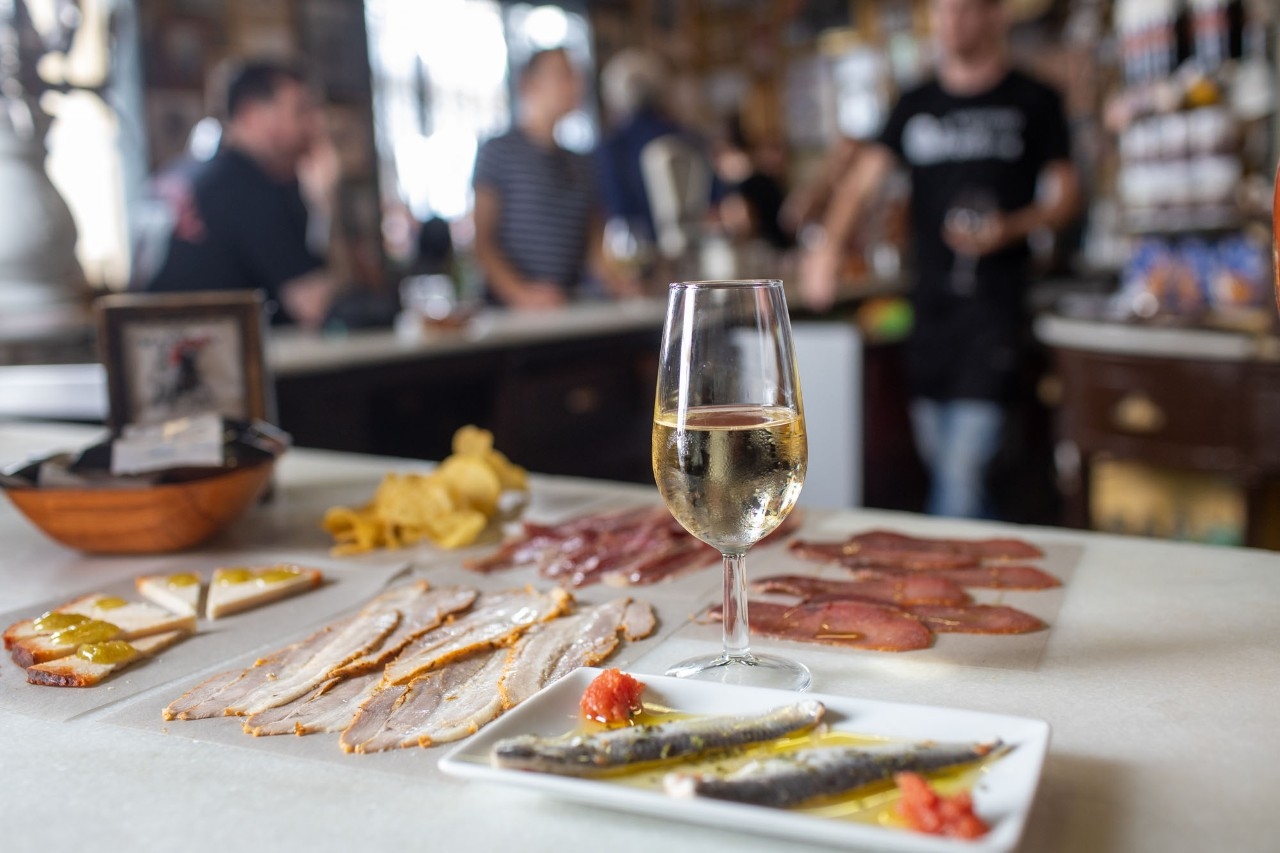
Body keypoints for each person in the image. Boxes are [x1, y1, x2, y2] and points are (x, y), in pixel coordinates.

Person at [800, 0, 1080, 519]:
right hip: (930, 312)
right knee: (942, 463)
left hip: (996, 312)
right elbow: (863, 181)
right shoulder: (915, 102)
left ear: (996, 17)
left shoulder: (1034, 99)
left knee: (962, 469)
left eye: (966, 11)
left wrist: (1012, 227)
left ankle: (944, 591)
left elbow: (1064, 197)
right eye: (943, 12)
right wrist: (828, 247)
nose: (952, 23)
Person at [145, 60, 345, 329]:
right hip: (209, 357)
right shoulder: (246, 187)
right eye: (302, 111)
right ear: (251, 115)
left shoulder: (187, 172)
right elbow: (315, 306)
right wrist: (326, 205)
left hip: (157, 353)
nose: (317, 124)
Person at [473, 48, 636, 310]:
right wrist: (520, 294)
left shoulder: (582, 162)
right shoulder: (498, 151)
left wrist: (619, 284)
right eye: (563, 75)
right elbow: (482, 243)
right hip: (508, 314)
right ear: (529, 84)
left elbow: (594, 243)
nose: (575, 84)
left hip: (566, 307)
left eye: (575, 75)